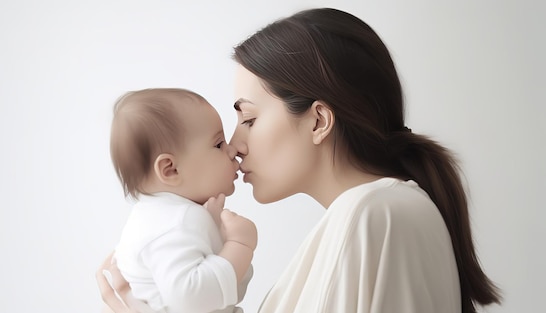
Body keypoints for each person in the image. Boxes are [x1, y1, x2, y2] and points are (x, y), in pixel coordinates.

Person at [98, 8, 501, 313]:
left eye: (250, 119)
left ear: (319, 121)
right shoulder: (369, 216)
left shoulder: (377, 213)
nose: (235, 145)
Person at [104, 88, 257, 313]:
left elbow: (224, 295)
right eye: (218, 144)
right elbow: (194, 299)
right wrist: (240, 245)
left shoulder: (164, 218)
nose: (232, 149)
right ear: (170, 169)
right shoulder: (177, 221)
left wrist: (218, 236)